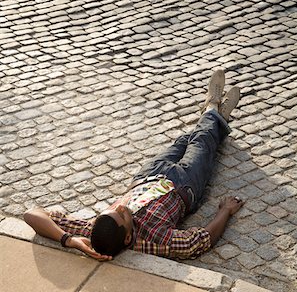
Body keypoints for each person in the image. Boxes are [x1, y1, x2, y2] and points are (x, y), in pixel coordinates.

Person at [24, 69, 244, 262]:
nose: (119, 207)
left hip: (148, 175)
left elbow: (31, 214)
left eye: (110, 211)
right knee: (201, 142)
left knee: (183, 141)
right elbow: (199, 241)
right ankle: (213, 108)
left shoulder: (96, 228)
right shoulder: (155, 239)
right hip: (184, 184)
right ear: (128, 236)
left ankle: (214, 118)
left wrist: (69, 240)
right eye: (122, 215)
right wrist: (225, 211)